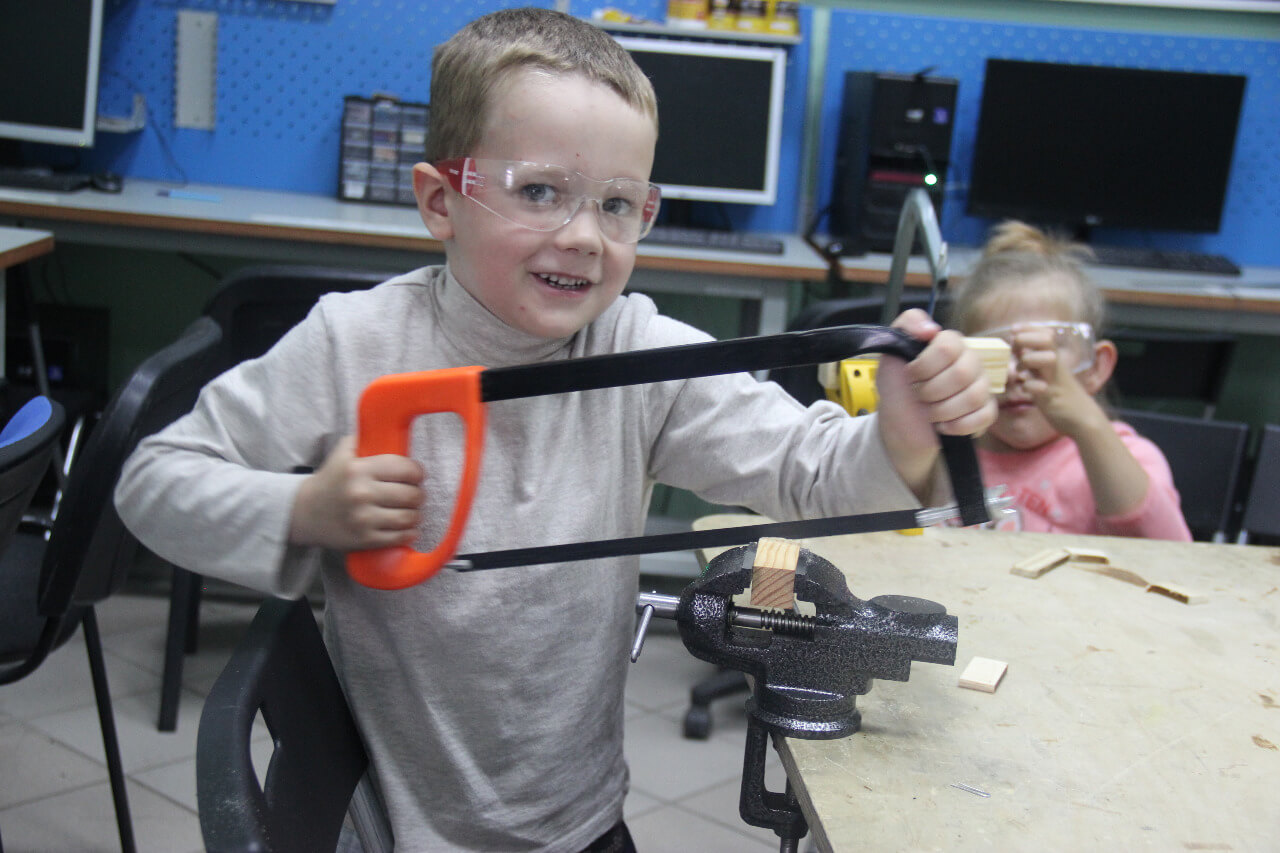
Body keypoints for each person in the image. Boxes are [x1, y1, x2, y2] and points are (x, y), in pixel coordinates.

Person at [115, 8, 994, 851]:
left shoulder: (639, 351)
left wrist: (902, 435)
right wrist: (304, 510)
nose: (584, 236)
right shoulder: (352, 345)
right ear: (441, 200)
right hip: (399, 829)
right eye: (539, 191)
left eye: (618, 204)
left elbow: (818, 475)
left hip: (580, 821)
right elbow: (152, 483)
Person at [949, 220, 1191, 541]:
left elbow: (1168, 552)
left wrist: (1089, 424)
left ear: (1096, 367)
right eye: (996, 354)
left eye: (1039, 352)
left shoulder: (1130, 458)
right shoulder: (944, 456)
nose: (1015, 373)